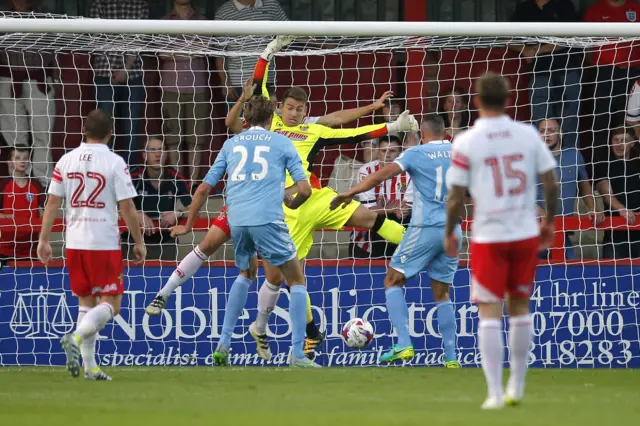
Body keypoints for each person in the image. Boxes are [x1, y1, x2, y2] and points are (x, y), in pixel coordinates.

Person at [146, 37, 412, 361]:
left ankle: (413, 246)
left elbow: (350, 133)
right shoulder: (269, 126)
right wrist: (266, 55)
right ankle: (300, 333)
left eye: (300, 109)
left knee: (368, 219)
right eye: (290, 107)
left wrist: (391, 124)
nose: (295, 113)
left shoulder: (311, 131)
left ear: (305, 112)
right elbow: (257, 87)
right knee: (280, 276)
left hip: (311, 197)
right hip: (280, 208)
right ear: (279, 108)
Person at [444, 73, 559, 409]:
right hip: (523, 232)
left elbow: (454, 196)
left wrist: (450, 230)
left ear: (476, 102)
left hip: (489, 235)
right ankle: (518, 385)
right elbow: (550, 183)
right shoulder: (527, 134)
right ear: (509, 99)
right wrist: (549, 221)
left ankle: (494, 392)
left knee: (490, 312)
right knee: (520, 307)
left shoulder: (467, 141)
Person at [175, 96, 316, 367]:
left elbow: (204, 188)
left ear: (246, 119)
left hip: (237, 220)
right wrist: (291, 201)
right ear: (271, 119)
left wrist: (189, 223)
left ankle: (223, 345)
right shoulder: (283, 142)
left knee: (246, 274)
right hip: (268, 220)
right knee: (296, 280)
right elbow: (305, 189)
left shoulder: (231, 143)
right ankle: (298, 354)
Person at [332, 114, 461, 368]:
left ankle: (403, 343)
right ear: (444, 133)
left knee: (392, 280)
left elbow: (382, 174)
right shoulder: (458, 151)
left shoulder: (416, 153)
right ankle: (451, 358)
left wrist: (350, 192)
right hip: (453, 229)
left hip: (426, 227)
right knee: (442, 293)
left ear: (422, 134)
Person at [37, 109, 146, 380]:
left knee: (86, 302)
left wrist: (44, 239)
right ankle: (75, 337)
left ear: (83, 131)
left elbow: (52, 203)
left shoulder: (66, 160)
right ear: (111, 133)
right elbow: (127, 207)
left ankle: (90, 368)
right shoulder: (115, 162)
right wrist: (138, 240)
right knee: (113, 303)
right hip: (103, 241)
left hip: (74, 242)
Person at [510, 0, 582, 148]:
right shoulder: (525, 8)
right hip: (540, 72)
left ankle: (569, 166)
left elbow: (570, 38)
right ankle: (544, 167)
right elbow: (505, 36)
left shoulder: (565, 5)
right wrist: (525, 50)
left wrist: (539, 50)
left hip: (567, 70)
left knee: (568, 123)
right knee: (542, 125)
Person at [0, 0, 57, 184]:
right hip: (8, 80)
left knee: (42, 135)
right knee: (14, 136)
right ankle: (17, 187)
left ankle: (42, 186)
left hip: (38, 79)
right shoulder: (2, 14)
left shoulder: (45, 14)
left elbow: (54, 47)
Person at [89, 0, 149, 165]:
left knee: (132, 127)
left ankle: (132, 173)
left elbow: (140, 37)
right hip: (104, 73)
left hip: (133, 74)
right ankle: (107, 169)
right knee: (104, 126)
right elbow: (96, 39)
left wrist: (125, 69)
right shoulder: (99, 3)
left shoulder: (140, 4)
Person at [536, 119, 604, 259]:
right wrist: (540, 212)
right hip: (535, 231)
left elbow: (584, 185)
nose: (546, 135)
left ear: (560, 133)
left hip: (563, 231)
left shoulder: (573, 155)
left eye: (551, 131)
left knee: (569, 273)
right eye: (542, 131)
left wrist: (592, 208)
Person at [160, 0, 210, 182]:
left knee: (196, 138)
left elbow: (203, 49)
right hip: (171, 87)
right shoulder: (164, 22)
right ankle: (178, 184)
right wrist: (190, 50)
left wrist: (176, 50)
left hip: (197, 87)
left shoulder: (202, 20)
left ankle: (194, 185)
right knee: (173, 139)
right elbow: (162, 52)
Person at [585, 0, 640, 148]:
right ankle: (600, 167)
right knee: (601, 123)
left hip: (633, 73)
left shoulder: (636, 8)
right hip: (605, 73)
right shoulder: (594, 10)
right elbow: (587, 47)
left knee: (629, 121)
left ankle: (629, 166)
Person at [214, 0, 288, 109]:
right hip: (239, 84)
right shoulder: (224, 12)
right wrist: (225, 83)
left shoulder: (271, 5)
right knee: (240, 124)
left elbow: (289, 32)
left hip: (267, 81)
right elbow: (218, 54)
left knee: (269, 123)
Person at [127, 137, 191, 261]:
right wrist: (136, 214)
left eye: (161, 150)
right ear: (144, 155)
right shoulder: (133, 177)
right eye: (153, 150)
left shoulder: (176, 178)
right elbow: (116, 209)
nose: (157, 154)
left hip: (166, 241)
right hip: (135, 241)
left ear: (166, 155)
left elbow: (195, 209)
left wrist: (178, 213)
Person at [351, 135, 413, 259]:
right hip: (367, 239)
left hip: (401, 230)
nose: (387, 155)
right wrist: (392, 209)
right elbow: (366, 211)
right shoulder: (366, 171)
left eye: (392, 151)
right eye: (384, 151)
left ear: (401, 153)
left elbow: (406, 211)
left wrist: (382, 208)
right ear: (378, 152)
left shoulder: (410, 172)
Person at [594, 128, 640, 259]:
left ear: (632, 143)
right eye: (616, 140)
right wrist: (623, 210)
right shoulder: (603, 165)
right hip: (615, 236)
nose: (619, 144)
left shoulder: (638, 165)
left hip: (638, 232)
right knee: (613, 276)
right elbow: (606, 193)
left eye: (624, 140)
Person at [0, 146, 45, 261]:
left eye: (25, 158)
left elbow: (48, 208)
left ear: (29, 162)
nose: (22, 161)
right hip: (5, 250)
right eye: (18, 158)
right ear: (9, 163)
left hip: (31, 250)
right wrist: (3, 216)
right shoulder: (3, 185)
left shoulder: (36, 185)